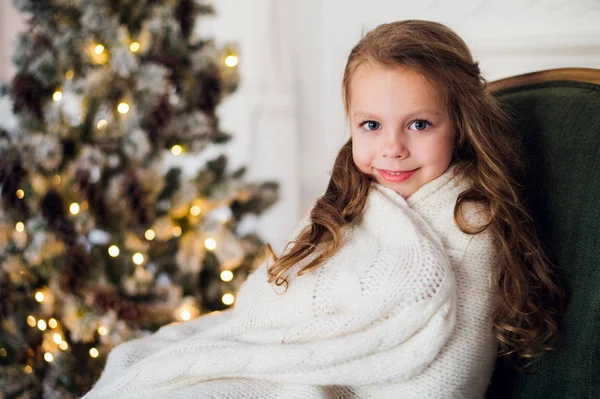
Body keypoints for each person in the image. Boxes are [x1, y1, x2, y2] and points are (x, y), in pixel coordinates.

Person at [82, 20, 562, 399]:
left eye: (418, 124)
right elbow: (275, 297)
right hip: (282, 357)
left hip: (344, 382)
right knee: (141, 363)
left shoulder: (470, 220)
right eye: (371, 124)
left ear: (459, 124)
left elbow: (450, 371)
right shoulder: (351, 196)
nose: (391, 147)